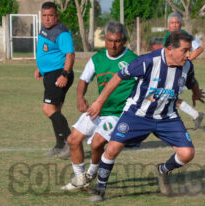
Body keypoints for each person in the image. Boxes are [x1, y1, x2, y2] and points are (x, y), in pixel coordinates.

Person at [87, 31, 205, 202]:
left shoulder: (187, 65)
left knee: (187, 153)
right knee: (112, 149)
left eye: (190, 50)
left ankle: (162, 171)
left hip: (167, 117)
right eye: (185, 50)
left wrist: (195, 93)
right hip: (137, 115)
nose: (189, 55)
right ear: (170, 49)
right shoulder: (148, 61)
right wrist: (99, 102)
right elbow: (118, 77)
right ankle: (100, 188)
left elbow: (191, 81)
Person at [60, 21, 138, 191]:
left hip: (118, 114)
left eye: (117, 41)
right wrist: (80, 97)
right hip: (98, 109)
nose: (113, 45)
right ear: (105, 39)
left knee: (96, 143)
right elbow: (83, 80)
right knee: (73, 140)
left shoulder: (133, 60)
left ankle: (91, 173)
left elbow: (145, 85)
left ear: (124, 40)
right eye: (109, 40)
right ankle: (81, 178)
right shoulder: (97, 58)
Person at [34, 2, 74, 158]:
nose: (47, 19)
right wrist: (40, 67)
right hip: (49, 74)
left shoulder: (61, 33)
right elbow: (45, 49)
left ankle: (72, 143)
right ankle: (60, 145)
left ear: (56, 16)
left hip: (59, 74)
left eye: (50, 15)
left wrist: (64, 74)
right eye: (44, 16)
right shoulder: (45, 29)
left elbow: (70, 55)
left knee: (48, 109)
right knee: (56, 111)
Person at [164, 12, 205, 130]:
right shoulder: (168, 37)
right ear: (168, 25)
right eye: (172, 23)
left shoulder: (185, 35)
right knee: (168, 96)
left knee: (167, 95)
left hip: (180, 69)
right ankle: (196, 114)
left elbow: (199, 48)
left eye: (177, 22)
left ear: (181, 24)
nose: (175, 25)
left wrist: (188, 59)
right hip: (172, 68)